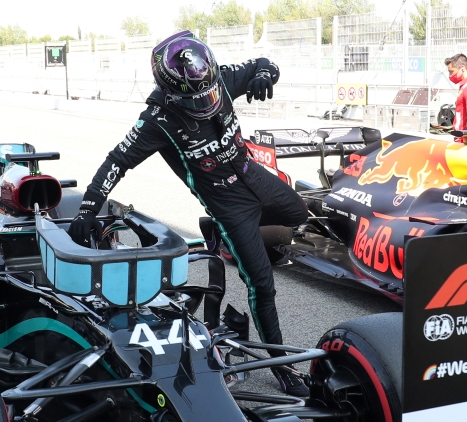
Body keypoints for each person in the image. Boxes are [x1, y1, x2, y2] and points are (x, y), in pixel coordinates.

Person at [68, 32, 310, 396]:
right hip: (226, 202)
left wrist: (266, 76)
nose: (205, 100)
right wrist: (89, 206)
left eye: (208, 90)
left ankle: (218, 235)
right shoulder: (158, 119)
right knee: (261, 282)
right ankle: (283, 368)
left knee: (298, 213)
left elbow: (264, 63)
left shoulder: (221, 78)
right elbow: (118, 160)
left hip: (250, 174)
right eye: (194, 98)